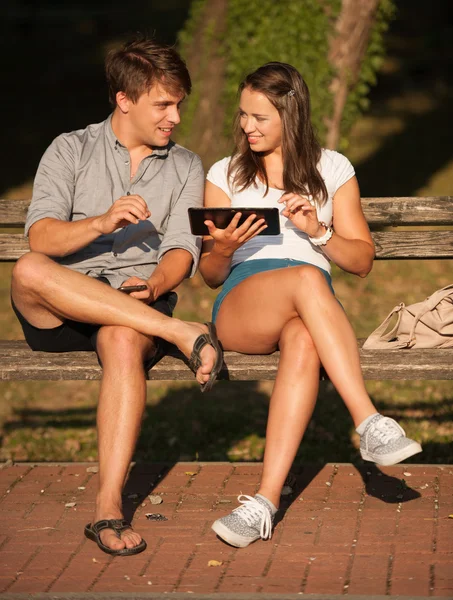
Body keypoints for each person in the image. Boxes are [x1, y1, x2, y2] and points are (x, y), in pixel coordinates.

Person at [10, 36, 223, 557]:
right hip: (64, 301)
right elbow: (42, 239)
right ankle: (181, 333)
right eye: (163, 104)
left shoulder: (186, 165)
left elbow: (180, 250)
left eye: (179, 104)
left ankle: (106, 510)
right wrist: (102, 221)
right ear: (124, 100)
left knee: (125, 338)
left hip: (137, 303)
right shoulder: (70, 148)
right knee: (29, 268)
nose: (175, 116)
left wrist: (154, 285)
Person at [199, 62, 422, 549]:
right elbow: (209, 275)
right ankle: (368, 421)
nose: (246, 126)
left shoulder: (333, 168)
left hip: (309, 308)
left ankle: (263, 502)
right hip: (243, 303)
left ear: (290, 113)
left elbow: (361, 260)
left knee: (304, 336)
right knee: (304, 277)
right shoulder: (225, 173)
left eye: (259, 117)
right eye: (243, 115)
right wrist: (223, 247)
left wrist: (317, 232)